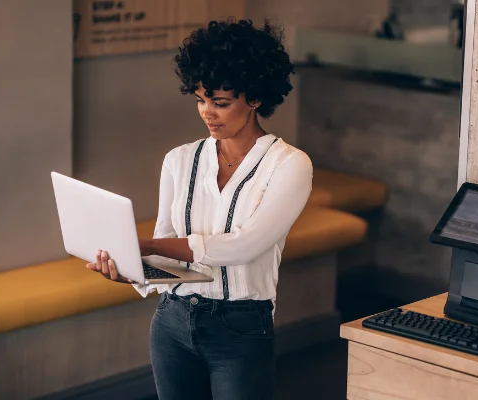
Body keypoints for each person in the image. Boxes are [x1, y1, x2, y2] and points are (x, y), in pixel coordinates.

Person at [85, 18, 312, 400]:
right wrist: (129, 268)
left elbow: (245, 245)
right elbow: (170, 248)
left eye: (221, 103)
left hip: (240, 330)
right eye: (200, 99)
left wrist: (148, 245)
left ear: (255, 97)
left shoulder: (289, 165)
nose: (207, 112)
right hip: (171, 322)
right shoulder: (179, 160)